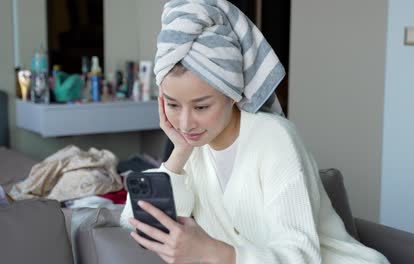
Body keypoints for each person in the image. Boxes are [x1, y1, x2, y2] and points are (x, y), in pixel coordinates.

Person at [120, 0, 390, 263]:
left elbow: (303, 257)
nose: (185, 123)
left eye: (201, 106)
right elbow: (132, 221)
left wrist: (215, 253)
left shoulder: (274, 138)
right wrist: (178, 156)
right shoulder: (193, 149)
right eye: (172, 104)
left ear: (233, 94)